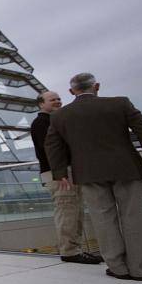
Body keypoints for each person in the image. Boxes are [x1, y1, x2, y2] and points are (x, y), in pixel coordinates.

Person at [45, 73, 142, 281]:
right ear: (97, 86)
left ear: (71, 92)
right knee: (133, 217)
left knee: (102, 218)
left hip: (88, 173)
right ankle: (140, 269)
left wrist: (60, 173)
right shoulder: (120, 103)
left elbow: (52, 145)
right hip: (127, 169)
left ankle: (117, 267)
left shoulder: (61, 115)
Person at [30, 91, 101, 264]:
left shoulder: (55, 120)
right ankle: (70, 252)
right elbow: (51, 149)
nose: (57, 101)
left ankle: (75, 249)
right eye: (52, 100)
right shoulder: (41, 123)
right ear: (41, 104)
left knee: (75, 211)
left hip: (65, 172)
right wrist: (61, 172)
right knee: (67, 211)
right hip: (59, 174)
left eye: (58, 99)